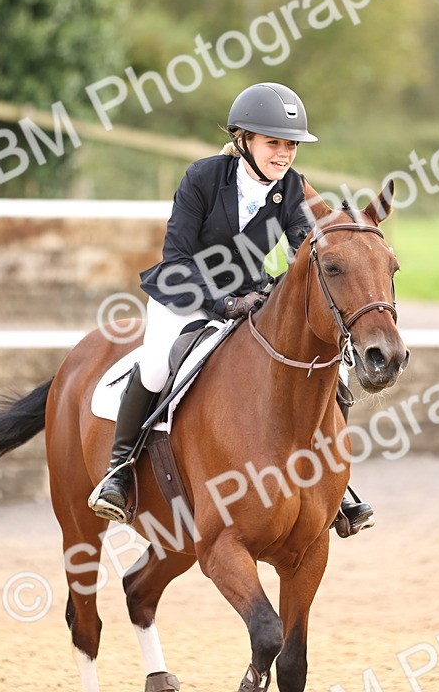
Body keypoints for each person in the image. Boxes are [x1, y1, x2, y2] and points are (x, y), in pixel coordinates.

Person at [88, 82, 374, 536]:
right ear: (243, 140)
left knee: (330, 371)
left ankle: (334, 487)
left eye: (291, 146)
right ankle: (118, 471)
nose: (284, 154)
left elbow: (304, 252)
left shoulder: (292, 188)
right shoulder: (203, 178)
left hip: (251, 296)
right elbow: (177, 257)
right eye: (273, 143)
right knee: (158, 365)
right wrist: (224, 302)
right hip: (185, 294)